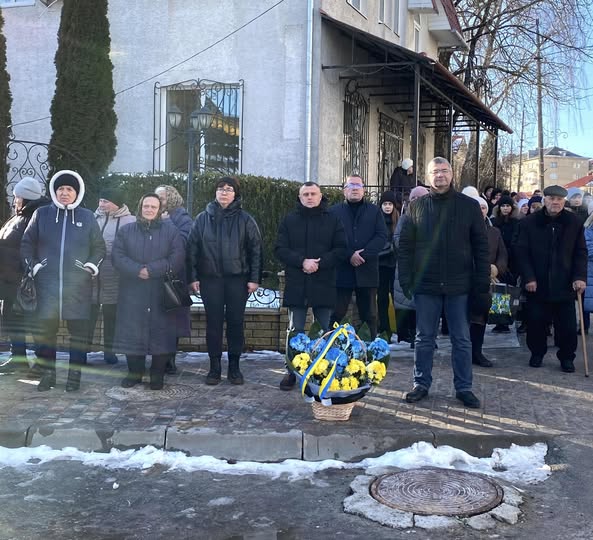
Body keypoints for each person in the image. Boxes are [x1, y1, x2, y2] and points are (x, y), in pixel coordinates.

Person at [398, 157, 489, 409]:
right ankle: (421, 384)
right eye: (434, 171)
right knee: (424, 338)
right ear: (427, 177)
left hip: (460, 286)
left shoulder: (469, 207)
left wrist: (481, 284)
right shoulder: (415, 207)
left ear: (452, 174)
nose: (440, 175)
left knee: (461, 339)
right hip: (426, 286)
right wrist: (406, 280)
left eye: (444, 170)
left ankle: (464, 387)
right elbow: (404, 247)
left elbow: (481, 248)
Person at [21, 170, 106, 392]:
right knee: (46, 334)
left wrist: (90, 266)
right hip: (46, 286)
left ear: (76, 192)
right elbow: (26, 245)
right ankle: (48, 375)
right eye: (61, 189)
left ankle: (74, 376)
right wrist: (35, 266)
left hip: (77, 287)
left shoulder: (87, 217)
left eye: (69, 189)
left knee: (78, 334)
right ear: (54, 191)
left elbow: (99, 248)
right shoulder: (41, 214)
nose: (65, 193)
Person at [186, 177, 263, 385]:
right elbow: (192, 249)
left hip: (237, 281)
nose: (224, 193)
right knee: (213, 324)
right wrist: (192, 277)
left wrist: (254, 279)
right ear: (215, 193)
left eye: (229, 190)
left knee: (236, 324)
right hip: (211, 281)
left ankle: (235, 368)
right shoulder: (202, 219)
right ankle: (214, 367)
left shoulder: (246, 219)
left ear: (235, 194)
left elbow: (255, 250)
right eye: (221, 189)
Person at [274, 182, 348, 390]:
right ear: (299, 198)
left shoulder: (333, 220)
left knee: (323, 331)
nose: (309, 197)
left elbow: (341, 249)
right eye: (305, 194)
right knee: (295, 331)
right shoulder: (289, 221)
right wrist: (302, 262)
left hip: (323, 282)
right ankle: (291, 371)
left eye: (313, 193)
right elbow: (280, 248)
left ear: (320, 196)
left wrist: (319, 264)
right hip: (297, 283)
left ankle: (321, 372)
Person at [112, 194, 185, 390]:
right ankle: (134, 373)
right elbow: (117, 256)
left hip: (161, 290)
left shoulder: (171, 232)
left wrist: (152, 270)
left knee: (161, 333)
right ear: (140, 207)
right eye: (146, 206)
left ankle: (157, 374)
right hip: (132, 290)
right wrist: (137, 270)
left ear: (160, 209)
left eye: (153, 206)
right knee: (132, 332)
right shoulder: (126, 231)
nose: (149, 209)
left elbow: (177, 258)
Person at [514, 185, 587, 372]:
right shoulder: (529, 223)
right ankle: (537, 353)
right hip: (537, 284)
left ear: (564, 201)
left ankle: (566, 357)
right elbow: (522, 253)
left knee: (568, 327)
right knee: (536, 323)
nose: (555, 202)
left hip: (565, 284)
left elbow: (580, 252)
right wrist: (529, 277)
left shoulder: (574, 222)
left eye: (559, 200)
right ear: (544, 200)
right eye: (552, 199)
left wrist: (579, 277)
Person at [0, 177, 50, 372]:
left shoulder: (37, 216)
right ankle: (18, 358)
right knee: (12, 320)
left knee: (33, 323)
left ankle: (42, 363)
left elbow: (33, 247)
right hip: (9, 281)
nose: (15, 200)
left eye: (17, 197)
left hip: (26, 282)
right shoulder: (18, 215)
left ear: (26, 198)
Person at [329, 176, 388, 337]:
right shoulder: (334, 212)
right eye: (351, 185)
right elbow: (331, 238)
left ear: (364, 190)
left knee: (369, 316)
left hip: (367, 271)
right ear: (344, 190)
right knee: (335, 315)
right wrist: (349, 255)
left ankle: (369, 354)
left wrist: (363, 254)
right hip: (342, 271)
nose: (354, 188)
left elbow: (381, 236)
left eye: (358, 185)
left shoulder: (374, 211)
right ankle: (328, 351)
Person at [89, 186, 135, 365]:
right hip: (92, 277)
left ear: (116, 203)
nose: (102, 204)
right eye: (100, 200)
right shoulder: (92, 218)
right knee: (88, 317)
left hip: (115, 277)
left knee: (111, 318)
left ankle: (109, 351)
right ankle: (83, 350)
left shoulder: (129, 221)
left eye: (106, 201)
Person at [155, 184, 193, 375]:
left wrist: (167, 223)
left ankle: (170, 359)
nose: (158, 202)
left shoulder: (181, 218)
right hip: (154, 277)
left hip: (174, 279)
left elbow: (184, 242)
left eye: (161, 198)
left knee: (172, 320)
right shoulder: (153, 214)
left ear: (171, 199)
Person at [469, 196, 508, 367]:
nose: (480, 211)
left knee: (480, 319)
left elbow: (503, 254)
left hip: (485, 282)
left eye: (483, 208)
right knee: (463, 319)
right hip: (465, 279)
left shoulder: (494, 232)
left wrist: (497, 268)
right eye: (477, 207)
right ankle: (463, 352)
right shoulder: (462, 229)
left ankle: (476, 352)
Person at [393, 185, 429, 348]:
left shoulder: (434, 216)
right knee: (407, 304)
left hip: (428, 269)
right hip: (407, 266)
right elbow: (398, 240)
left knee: (426, 306)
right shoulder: (404, 218)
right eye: (414, 198)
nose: (417, 201)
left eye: (420, 197)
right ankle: (410, 335)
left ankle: (425, 336)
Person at [490, 195, 521, 333]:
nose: (505, 208)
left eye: (508, 206)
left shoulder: (516, 223)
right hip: (497, 263)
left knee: (511, 292)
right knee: (499, 293)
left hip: (512, 262)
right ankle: (500, 322)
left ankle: (508, 320)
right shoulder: (494, 222)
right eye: (503, 206)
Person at [377, 191, 399, 336]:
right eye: (385, 204)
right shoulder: (377, 220)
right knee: (382, 297)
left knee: (397, 296)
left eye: (390, 204)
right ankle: (384, 328)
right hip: (381, 264)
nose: (387, 207)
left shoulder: (399, 220)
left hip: (396, 264)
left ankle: (400, 328)